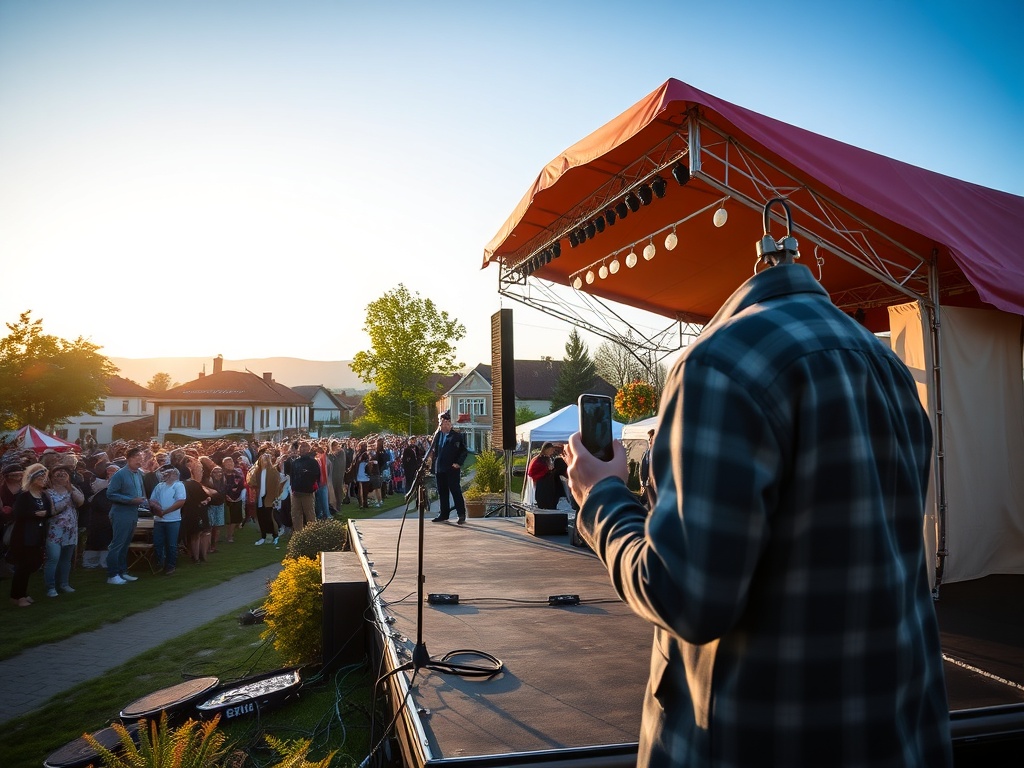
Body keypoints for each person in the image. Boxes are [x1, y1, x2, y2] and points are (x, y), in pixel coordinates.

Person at [565, 261, 952, 766]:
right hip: (890, 732)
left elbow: (683, 595)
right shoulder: (889, 368)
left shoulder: (718, 364)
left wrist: (601, 495)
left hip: (754, 738)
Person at [7, 464, 53, 606]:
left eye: (44, 478)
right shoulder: (24, 495)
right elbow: (18, 514)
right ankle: (17, 596)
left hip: (37, 535)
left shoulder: (44, 495)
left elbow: (49, 512)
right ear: (32, 479)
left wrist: (46, 514)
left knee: (32, 564)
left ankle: (21, 593)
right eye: (40, 478)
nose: (43, 480)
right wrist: (34, 514)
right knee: (23, 566)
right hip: (24, 536)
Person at [105, 446, 147, 585]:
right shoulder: (120, 474)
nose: (140, 461)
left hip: (133, 512)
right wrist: (131, 500)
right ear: (129, 459)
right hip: (121, 513)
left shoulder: (139, 473)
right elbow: (110, 494)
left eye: (141, 458)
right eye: (137, 458)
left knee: (125, 544)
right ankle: (112, 574)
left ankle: (122, 571)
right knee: (117, 544)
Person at [43, 465, 84, 597]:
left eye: (64, 473)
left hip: (71, 530)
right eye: (58, 473)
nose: (61, 474)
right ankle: (50, 587)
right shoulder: (47, 493)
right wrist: (66, 499)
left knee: (66, 559)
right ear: (51, 477)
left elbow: (81, 502)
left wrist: (70, 488)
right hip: (54, 530)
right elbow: (52, 510)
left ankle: (64, 584)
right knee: (53, 558)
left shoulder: (72, 489)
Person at [429, 411, 468, 524]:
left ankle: (461, 514)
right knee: (442, 492)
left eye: (447, 423)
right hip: (440, 468)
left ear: (450, 424)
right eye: (442, 423)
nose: (445, 425)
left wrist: (458, 463)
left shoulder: (456, 436)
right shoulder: (437, 436)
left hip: (452, 468)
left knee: (455, 491)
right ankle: (444, 514)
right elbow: (435, 451)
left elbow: (463, 451)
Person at [148, 466, 186, 575]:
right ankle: (160, 564)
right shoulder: (159, 486)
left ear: (174, 475)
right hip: (159, 520)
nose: (164, 475)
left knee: (171, 544)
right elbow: (152, 500)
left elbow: (180, 502)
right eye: (164, 474)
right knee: (158, 543)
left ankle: (170, 565)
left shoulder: (178, 485)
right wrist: (157, 508)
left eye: (168, 473)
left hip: (173, 520)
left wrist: (164, 512)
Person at [247, 452, 281, 546]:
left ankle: (275, 535)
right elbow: (251, 482)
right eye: (262, 461)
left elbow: (277, 486)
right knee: (261, 517)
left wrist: (276, 498)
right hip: (260, 497)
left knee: (270, 517)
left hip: (269, 497)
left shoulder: (273, 472)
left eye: (266, 460)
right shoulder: (257, 471)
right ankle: (263, 536)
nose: (264, 462)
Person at [288, 441, 320, 531]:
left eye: (305, 447)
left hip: (307, 493)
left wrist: (307, 475)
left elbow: (317, 476)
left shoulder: (313, 462)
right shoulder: (295, 462)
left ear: (309, 449)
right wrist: (293, 488)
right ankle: (298, 535)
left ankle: (312, 534)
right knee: (296, 515)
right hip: (296, 493)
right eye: (301, 447)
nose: (303, 449)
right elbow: (292, 476)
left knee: (310, 515)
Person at [527, 442, 562, 510]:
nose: (552, 452)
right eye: (551, 450)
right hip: (542, 482)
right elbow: (533, 471)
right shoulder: (539, 459)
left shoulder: (546, 458)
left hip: (547, 482)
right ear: (547, 449)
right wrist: (547, 471)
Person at [221, 456, 245, 543]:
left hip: (237, 498)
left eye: (231, 462)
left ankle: (230, 535)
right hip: (225, 498)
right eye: (227, 463)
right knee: (228, 518)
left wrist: (237, 493)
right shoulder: (221, 474)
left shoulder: (238, 473)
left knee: (234, 518)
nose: (229, 464)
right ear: (224, 465)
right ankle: (227, 534)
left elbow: (242, 485)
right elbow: (221, 486)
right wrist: (226, 495)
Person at [638, 428, 656, 512]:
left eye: (652, 439)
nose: (650, 441)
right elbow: (641, 469)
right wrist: (642, 484)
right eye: (649, 439)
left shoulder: (660, 454)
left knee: (653, 507)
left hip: (656, 486)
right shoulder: (646, 454)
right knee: (644, 506)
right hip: (647, 484)